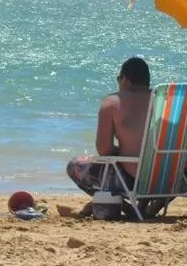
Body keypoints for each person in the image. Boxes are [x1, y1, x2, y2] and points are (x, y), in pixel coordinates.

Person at [61, 57, 153, 217]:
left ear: (125, 80)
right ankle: (145, 206)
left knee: (74, 166)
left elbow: (104, 149)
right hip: (168, 178)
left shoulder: (112, 102)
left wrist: (122, 151)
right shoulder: (167, 101)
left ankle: (124, 205)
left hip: (131, 182)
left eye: (118, 78)